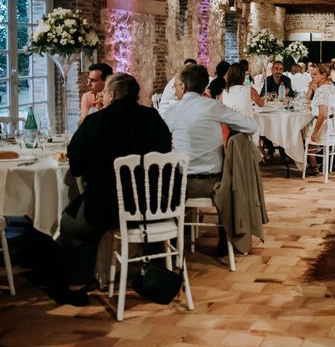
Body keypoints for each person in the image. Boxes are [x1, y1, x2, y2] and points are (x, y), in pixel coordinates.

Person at [59, 73, 172, 306]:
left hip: (107, 208)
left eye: (105, 92)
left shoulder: (95, 122)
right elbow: (166, 152)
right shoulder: (153, 117)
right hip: (154, 205)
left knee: (71, 225)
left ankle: (77, 286)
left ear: (111, 94)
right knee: (134, 203)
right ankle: (156, 271)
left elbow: (77, 167)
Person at [163, 64, 258, 200]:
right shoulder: (215, 107)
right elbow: (251, 126)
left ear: (183, 87)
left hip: (181, 185)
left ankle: (182, 219)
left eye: (176, 86)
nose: (174, 91)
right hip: (215, 183)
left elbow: (164, 142)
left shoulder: (172, 111)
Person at [306, 63, 335, 176]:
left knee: (306, 142)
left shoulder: (321, 91)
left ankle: (314, 168)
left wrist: (315, 133)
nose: (312, 77)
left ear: (323, 75)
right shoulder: (332, 87)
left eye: (315, 74)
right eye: (311, 75)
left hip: (326, 126)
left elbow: (322, 114)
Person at [221, 63, 264, 144]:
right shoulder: (249, 90)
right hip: (247, 130)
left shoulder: (224, 93)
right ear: (243, 76)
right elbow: (261, 104)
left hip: (229, 132)